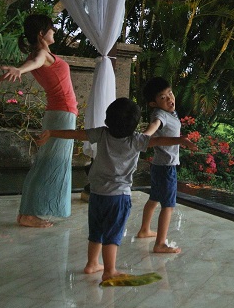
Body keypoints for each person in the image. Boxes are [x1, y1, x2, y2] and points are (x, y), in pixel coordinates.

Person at [37, 97, 196, 282]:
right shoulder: (137, 140)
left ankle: (92, 264)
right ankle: (109, 270)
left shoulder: (102, 134)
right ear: (134, 125)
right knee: (112, 235)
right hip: (118, 197)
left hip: (96, 194)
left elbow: (76, 134)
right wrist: (181, 141)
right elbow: (159, 140)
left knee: (96, 231)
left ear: (107, 120)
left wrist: (51, 132)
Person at [0, 14, 77, 228]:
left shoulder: (37, 54)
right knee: (50, 164)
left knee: (47, 163)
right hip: (62, 114)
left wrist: (0, 78)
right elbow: (34, 63)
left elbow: (28, 65)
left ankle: (29, 212)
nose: (55, 31)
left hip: (58, 114)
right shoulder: (41, 55)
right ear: (41, 34)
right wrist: (18, 71)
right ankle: (29, 214)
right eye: (51, 28)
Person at [135, 77, 194, 253]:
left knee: (154, 198)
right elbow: (154, 126)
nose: (169, 98)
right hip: (166, 167)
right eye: (163, 97)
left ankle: (145, 230)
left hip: (159, 165)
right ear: (153, 103)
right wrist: (144, 136)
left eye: (170, 93)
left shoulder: (169, 112)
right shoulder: (160, 115)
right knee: (168, 205)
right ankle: (160, 244)